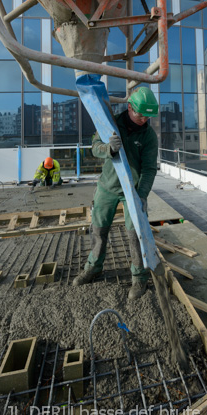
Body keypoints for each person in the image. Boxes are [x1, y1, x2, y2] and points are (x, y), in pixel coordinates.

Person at [73, 87, 159, 300]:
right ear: (130, 107)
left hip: (133, 190)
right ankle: (93, 267)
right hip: (107, 187)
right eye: (140, 114)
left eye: (148, 116)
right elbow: (94, 147)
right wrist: (108, 149)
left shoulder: (148, 135)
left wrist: (142, 195)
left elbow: (149, 168)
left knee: (135, 234)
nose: (144, 119)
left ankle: (139, 277)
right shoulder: (110, 123)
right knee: (98, 230)